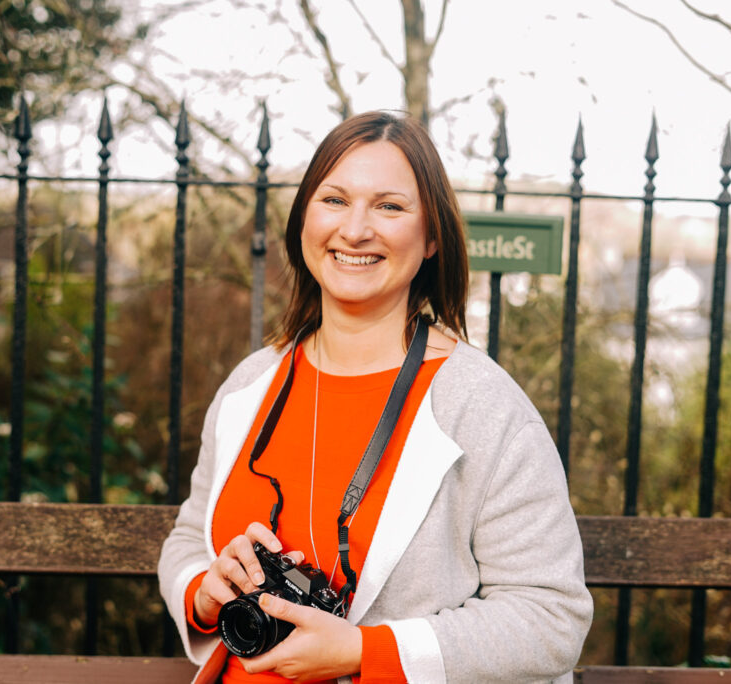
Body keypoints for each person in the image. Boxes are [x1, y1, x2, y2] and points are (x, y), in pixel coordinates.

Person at [158, 111, 592, 683]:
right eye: (334, 200)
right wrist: (204, 590)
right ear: (304, 219)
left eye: (389, 206)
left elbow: (551, 618)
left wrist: (368, 651)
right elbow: (189, 537)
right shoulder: (250, 384)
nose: (356, 229)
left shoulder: (484, 406)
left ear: (433, 236)